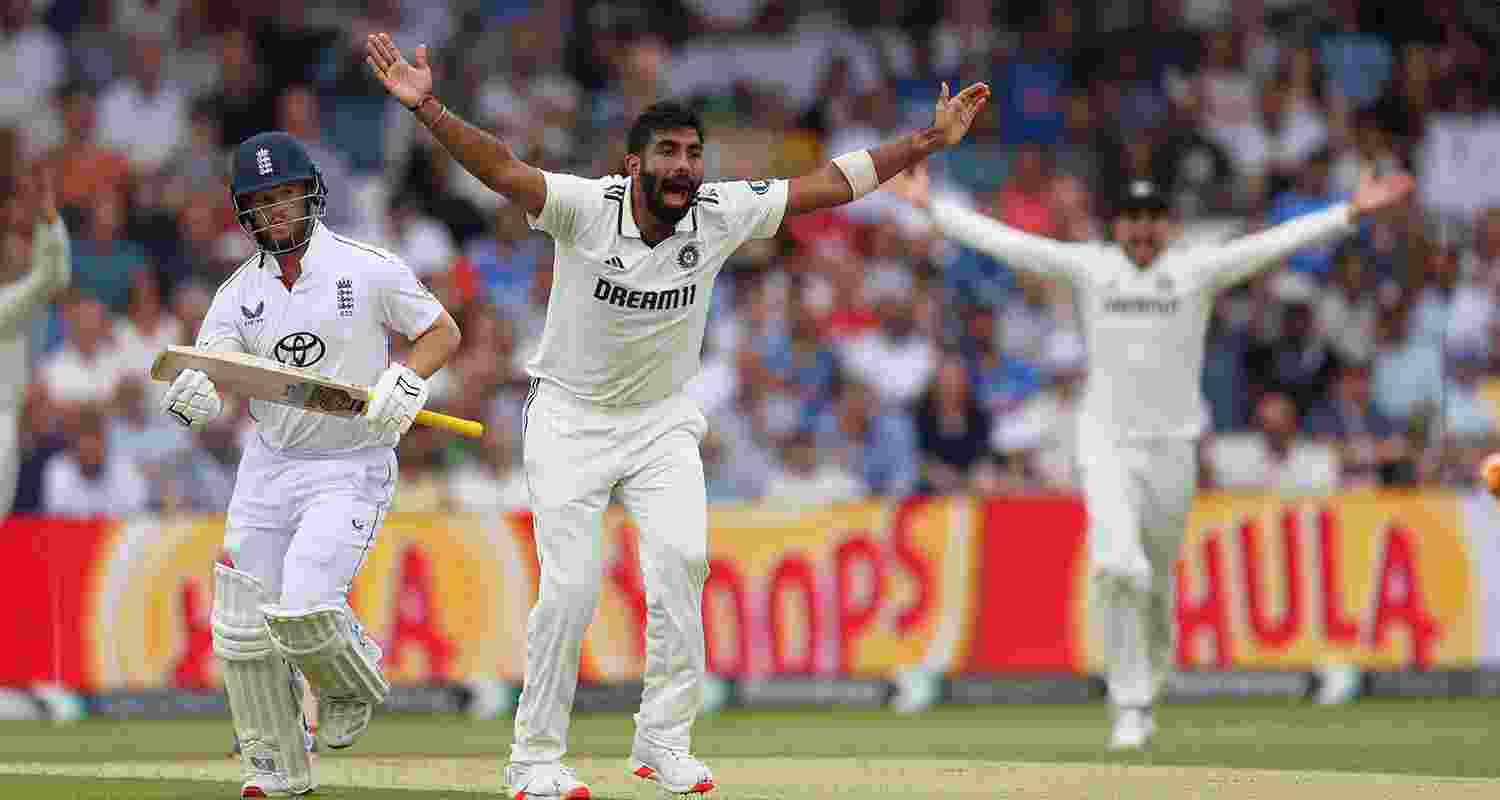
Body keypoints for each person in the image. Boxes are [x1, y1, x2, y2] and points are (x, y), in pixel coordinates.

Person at [363, 31, 988, 800]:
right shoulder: (588, 209)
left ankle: (663, 743)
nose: (684, 166)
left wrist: (927, 140)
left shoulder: (720, 213)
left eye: (693, 153)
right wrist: (427, 107)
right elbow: (501, 169)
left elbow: (829, 183)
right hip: (570, 418)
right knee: (570, 588)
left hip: (660, 421)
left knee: (683, 563)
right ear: (633, 165)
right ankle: (533, 758)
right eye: (667, 153)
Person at [884, 162, 1414, 750]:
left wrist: (1350, 212)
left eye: (1150, 221)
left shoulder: (1194, 270)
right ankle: (1129, 706)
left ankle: (1149, 683)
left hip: (1174, 447)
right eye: (1130, 221)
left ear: (1167, 225)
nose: (1140, 232)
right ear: (1116, 226)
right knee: (1118, 564)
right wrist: (932, 207)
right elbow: (1011, 244)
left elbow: (1270, 245)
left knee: (1154, 582)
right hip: (1106, 440)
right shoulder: (1092, 268)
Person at [161, 130, 461, 798]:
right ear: (245, 212)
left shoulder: (367, 266)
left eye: (286, 196)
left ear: (311, 195)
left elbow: (441, 333)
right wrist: (198, 392)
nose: (276, 212)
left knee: (301, 608)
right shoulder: (237, 293)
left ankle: (345, 682)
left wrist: (406, 381)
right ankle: (276, 768)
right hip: (269, 464)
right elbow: (215, 367)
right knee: (243, 626)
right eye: (262, 201)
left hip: (349, 462)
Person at [0, 168, 71, 520]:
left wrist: (48, 221)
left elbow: (52, 280)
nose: (19, 251)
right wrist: (48, 221)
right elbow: (49, 279)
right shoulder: (7, 305)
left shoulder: (17, 299)